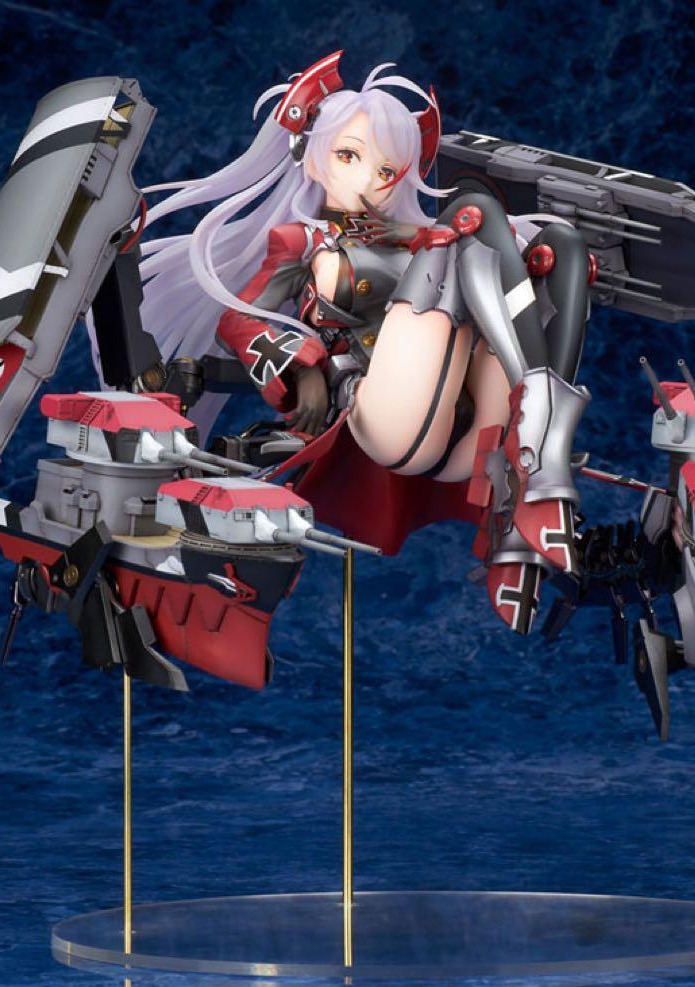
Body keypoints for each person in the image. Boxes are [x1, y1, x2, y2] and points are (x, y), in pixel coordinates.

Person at [133, 52, 593, 635]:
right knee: (470, 217)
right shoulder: (302, 242)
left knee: (561, 246)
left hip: (469, 432)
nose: (369, 180)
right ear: (314, 157)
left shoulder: (417, 239)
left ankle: (527, 477)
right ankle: (541, 450)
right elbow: (237, 320)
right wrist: (303, 367)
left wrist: (418, 236)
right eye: (349, 156)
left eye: (387, 169)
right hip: (381, 411)